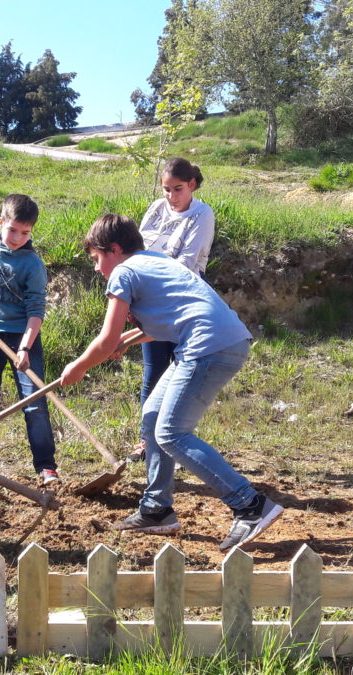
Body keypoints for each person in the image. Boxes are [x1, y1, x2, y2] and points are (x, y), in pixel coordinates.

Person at [59, 214, 282, 550]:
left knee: (171, 432)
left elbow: (106, 340)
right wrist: (129, 341)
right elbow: (169, 317)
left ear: (114, 249)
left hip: (207, 347)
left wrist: (79, 367)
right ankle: (156, 510)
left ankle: (250, 505)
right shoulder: (156, 261)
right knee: (152, 417)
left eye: (96, 259)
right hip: (219, 340)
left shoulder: (124, 271)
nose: (96, 268)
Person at [0, 193, 59, 485]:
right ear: (1, 221)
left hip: (24, 337)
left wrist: (26, 347)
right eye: (13, 229)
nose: (17, 237)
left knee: (34, 402)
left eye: (25, 232)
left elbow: (36, 311)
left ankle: (46, 467)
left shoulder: (32, 264)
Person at [130, 157, 215, 462]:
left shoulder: (202, 214)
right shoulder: (156, 208)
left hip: (182, 298)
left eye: (177, 189)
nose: (170, 196)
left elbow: (187, 263)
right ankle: (145, 440)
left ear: (191, 185)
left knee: (180, 369)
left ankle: (173, 436)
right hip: (149, 297)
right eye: (166, 189)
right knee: (153, 369)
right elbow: (137, 248)